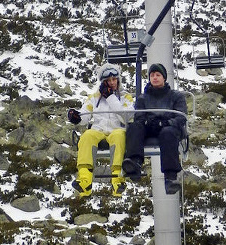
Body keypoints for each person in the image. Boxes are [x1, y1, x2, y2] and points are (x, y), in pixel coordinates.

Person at [67, 63, 134, 197]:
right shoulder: (94, 98)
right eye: (108, 81)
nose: (112, 83)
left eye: (114, 79)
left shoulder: (126, 97)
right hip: (99, 129)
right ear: (103, 82)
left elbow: (126, 117)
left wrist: (110, 97)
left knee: (119, 135)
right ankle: (85, 180)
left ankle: (117, 179)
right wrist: (76, 117)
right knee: (87, 136)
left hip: (117, 128)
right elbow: (85, 114)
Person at [122, 63, 188, 195]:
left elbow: (181, 117)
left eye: (158, 75)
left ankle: (170, 177)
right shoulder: (143, 98)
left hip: (169, 127)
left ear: (164, 77)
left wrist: (167, 122)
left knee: (167, 133)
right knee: (134, 127)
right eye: (152, 75)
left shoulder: (176, 96)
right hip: (150, 126)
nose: (155, 78)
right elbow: (139, 116)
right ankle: (134, 163)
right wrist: (147, 122)